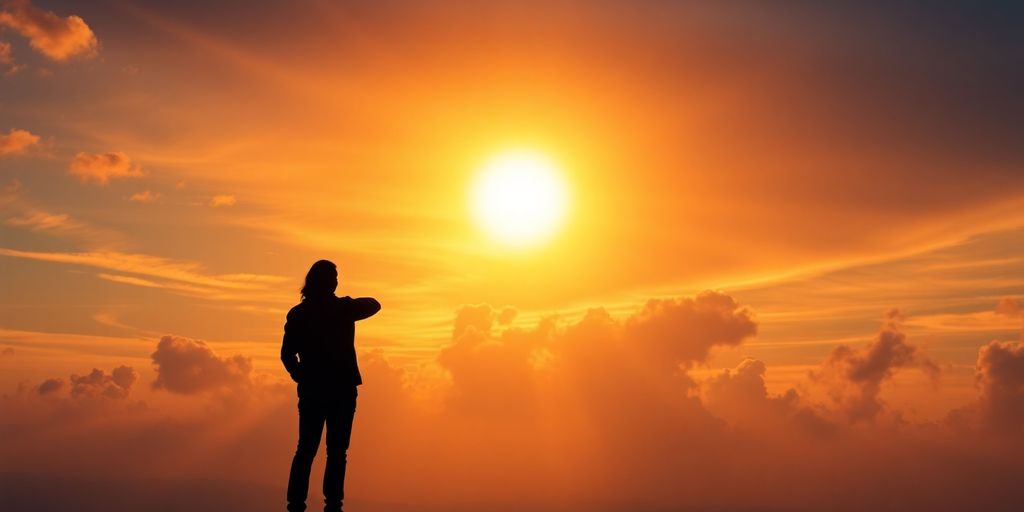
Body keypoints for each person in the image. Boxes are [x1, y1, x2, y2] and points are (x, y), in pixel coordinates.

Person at [282, 260, 381, 512]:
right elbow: (374, 304)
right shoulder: (342, 309)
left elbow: (287, 355)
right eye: (334, 277)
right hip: (341, 390)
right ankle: (332, 505)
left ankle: (297, 505)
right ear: (326, 281)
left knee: (307, 449)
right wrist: (343, 303)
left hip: (315, 390)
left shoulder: (299, 313)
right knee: (335, 452)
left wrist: (301, 376)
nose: (337, 281)